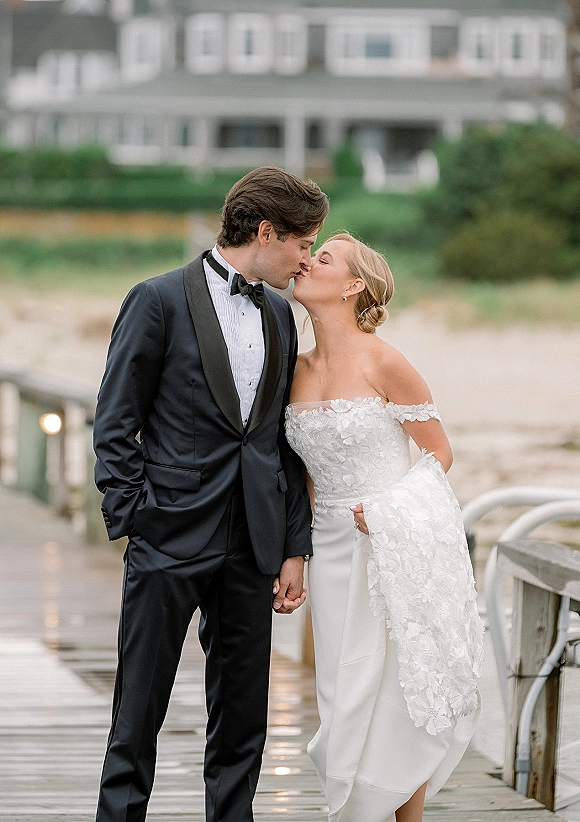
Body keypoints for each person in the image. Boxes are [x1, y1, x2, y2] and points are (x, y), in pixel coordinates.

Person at [92, 166, 329, 822]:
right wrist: (136, 515)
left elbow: (280, 441)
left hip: (253, 544)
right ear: (265, 230)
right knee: (137, 713)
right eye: (304, 243)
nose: (305, 258)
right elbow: (115, 421)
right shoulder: (158, 299)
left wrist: (293, 547)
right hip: (168, 535)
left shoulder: (281, 312)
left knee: (243, 719)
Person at [285, 233, 484, 822]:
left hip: (392, 544)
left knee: (395, 693)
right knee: (345, 694)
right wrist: (295, 554)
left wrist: (391, 512)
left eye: (323, 258)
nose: (307, 262)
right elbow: (303, 477)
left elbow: (439, 455)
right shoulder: (293, 369)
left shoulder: (384, 361)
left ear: (353, 286)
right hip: (329, 546)